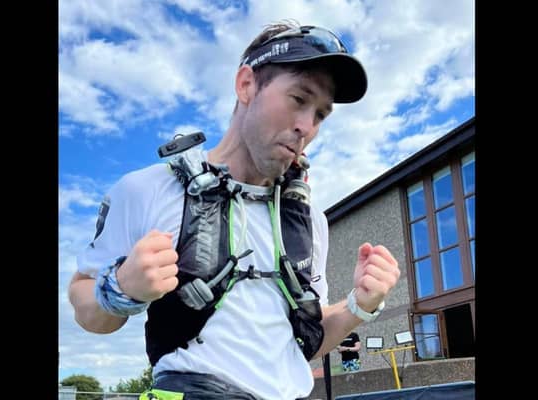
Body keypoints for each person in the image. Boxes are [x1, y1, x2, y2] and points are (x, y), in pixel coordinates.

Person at [68, 20, 400, 400]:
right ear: (246, 85)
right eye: (298, 99)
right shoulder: (148, 190)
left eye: (321, 115)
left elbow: (305, 343)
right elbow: (82, 298)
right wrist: (121, 288)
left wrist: (361, 304)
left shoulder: (310, 223)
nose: (306, 127)